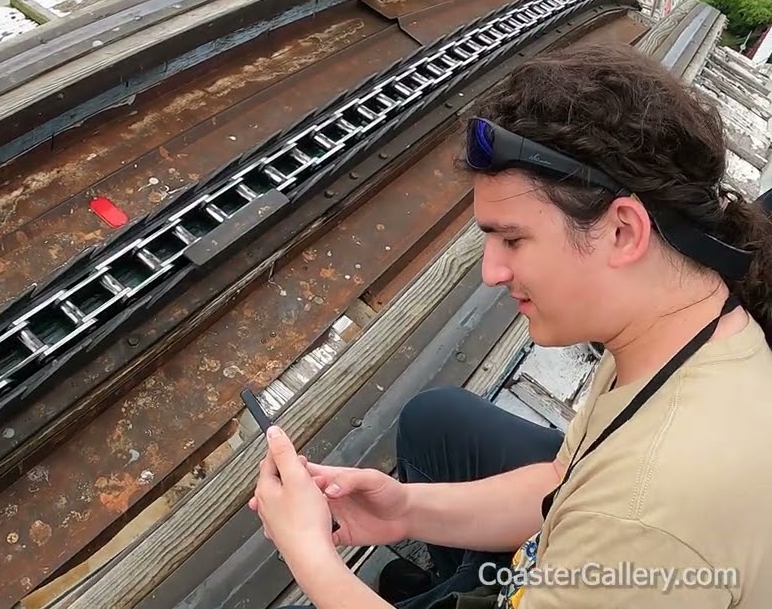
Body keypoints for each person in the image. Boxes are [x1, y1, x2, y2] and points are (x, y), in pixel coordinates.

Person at [250, 41, 772, 608]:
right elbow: (561, 484)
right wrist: (403, 510)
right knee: (436, 419)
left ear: (623, 231)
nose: (491, 271)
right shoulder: (681, 326)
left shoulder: (645, 512)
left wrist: (311, 556)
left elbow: (604, 507)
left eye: (513, 239)